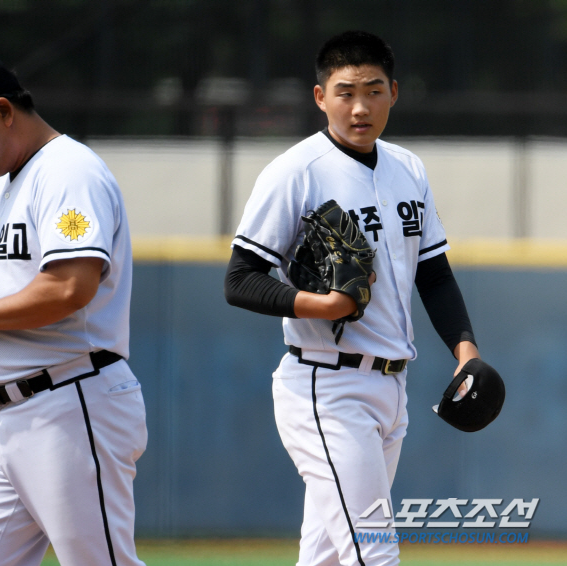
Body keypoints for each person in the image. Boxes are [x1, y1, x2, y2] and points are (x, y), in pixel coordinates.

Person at [224, 31, 480, 566]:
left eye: (373, 89)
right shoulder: (295, 172)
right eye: (345, 92)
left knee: (327, 557)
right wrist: (321, 305)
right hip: (326, 387)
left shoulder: (408, 168)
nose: (360, 106)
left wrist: (465, 352)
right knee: (374, 551)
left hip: (391, 387)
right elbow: (241, 278)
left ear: (394, 92)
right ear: (321, 98)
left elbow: (433, 274)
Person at [0, 52, 147, 566]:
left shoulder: (69, 170)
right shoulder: (2, 192)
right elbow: (17, 298)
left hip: (70, 401)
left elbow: (69, 287)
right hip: (6, 418)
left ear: (2, 110)